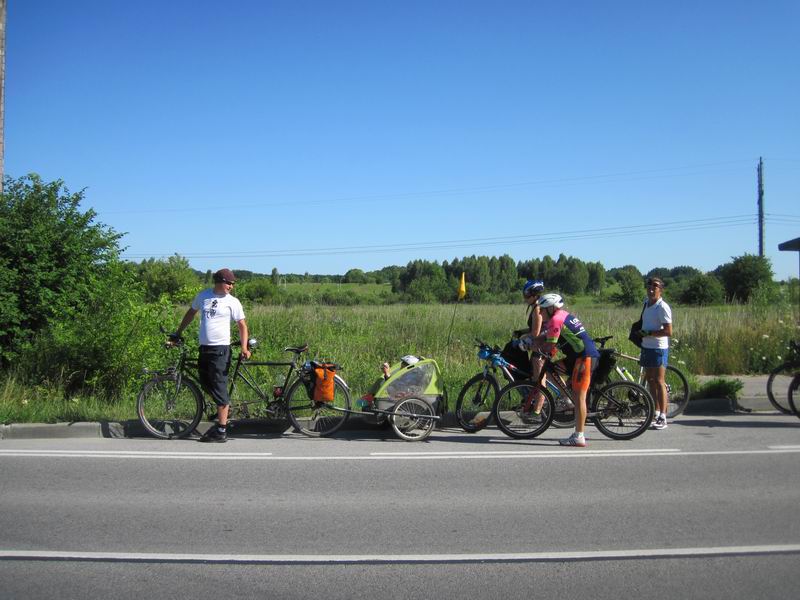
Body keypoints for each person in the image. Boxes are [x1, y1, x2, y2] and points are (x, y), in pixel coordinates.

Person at [172, 268, 250, 443]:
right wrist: (178, 332)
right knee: (206, 383)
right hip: (204, 348)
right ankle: (223, 410)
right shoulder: (203, 296)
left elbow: (242, 326)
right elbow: (191, 314)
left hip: (221, 349)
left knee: (219, 386)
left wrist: (244, 347)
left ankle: (221, 430)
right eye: (229, 283)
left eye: (233, 283)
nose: (231, 286)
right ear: (219, 282)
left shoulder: (233, 302)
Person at [534, 293, 599, 447]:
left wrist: (534, 348)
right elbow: (549, 335)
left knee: (579, 396)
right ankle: (566, 397)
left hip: (584, 357)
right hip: (575, 357)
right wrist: (533, 340)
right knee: (550, 370)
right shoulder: (562, 315)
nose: (540, 313)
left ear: (551, 308)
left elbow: (550, 345)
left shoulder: (556, 319)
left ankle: (579, 436)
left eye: (542, 309)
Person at [639, 277, 673, 430]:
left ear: (661, 289)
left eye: (655, 286)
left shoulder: (663, 307)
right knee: (651, 381)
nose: (652, 289)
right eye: (649, 286)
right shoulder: (646, 303)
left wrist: (649, 333)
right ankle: (655, 412)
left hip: (659, 347)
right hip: (646, 346)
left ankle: (663, 417)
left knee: (659, 381)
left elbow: (668, 331)